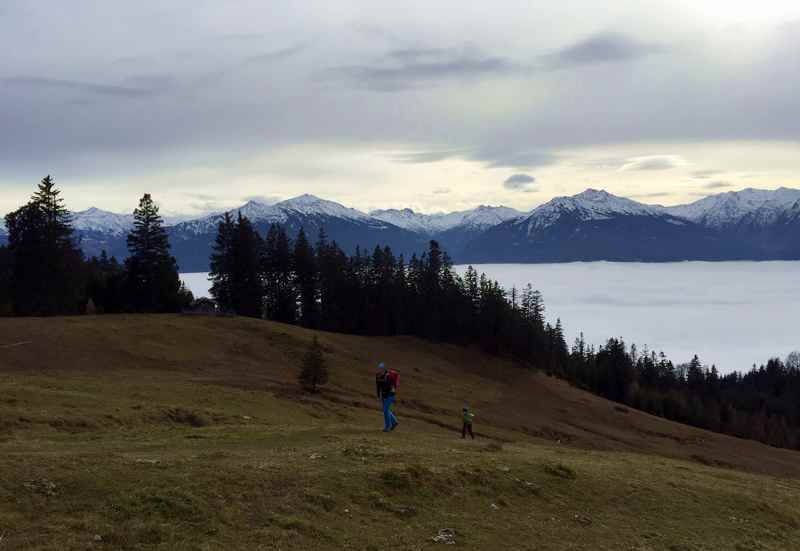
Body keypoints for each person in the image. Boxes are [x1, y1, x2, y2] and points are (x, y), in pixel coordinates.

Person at [375, 362, 399, 432]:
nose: (380, 370)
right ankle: (394, 422)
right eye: (379, 368)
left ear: (384, 369)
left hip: (390, 395)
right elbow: (378, 386)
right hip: (384, 395)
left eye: (381, 369)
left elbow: (389, 387)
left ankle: (388, 427)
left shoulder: (388, 376)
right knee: (386, 409)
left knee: (385, 410)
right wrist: (378, 395)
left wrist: (385, 395)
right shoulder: (377, 375)